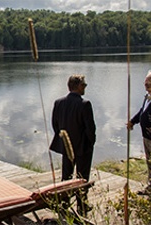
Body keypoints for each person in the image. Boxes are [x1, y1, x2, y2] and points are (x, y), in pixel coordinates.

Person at [49, 74, 96, 216]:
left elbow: (55, 124)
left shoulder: (59, 102)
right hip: (83, 147)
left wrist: (63, 140)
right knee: (82, 178)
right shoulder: (85, 104)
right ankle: (82, 206)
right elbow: (90, 128)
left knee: (66, 176)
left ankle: (63, 204)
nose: (85, 87)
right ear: (79, 86)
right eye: (84, 85)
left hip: (66, 145)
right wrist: (91, 143)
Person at [127, 70, 151, 195]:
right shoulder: (147, 97)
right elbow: (142, 111)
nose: (146, 85)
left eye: (149, 83)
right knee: (149, 161)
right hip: (146, 136)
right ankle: (150, 187)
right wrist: (132, 121)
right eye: (145, 82)